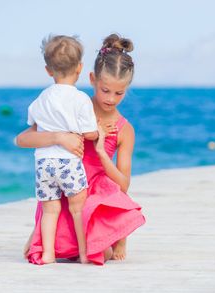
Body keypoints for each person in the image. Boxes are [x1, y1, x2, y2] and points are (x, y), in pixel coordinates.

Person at [17, 34, 145, 265]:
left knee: (101, 253)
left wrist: (102, 152)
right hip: (67, 190)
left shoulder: (125, 130)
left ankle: (116, 237)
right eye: (105, 90)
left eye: (119, 93)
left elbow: (123, 185)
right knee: (55, 220)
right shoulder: (73, 105)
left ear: (127, 89)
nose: (111, 99)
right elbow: (23, 139)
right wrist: (59, 137)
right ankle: (40, 235)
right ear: (92, 79)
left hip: (95, 193)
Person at [27, 35, 99, 264]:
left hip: (43, 162)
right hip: (68, 162)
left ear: (48, 70)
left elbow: (33, 124)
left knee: (50, 210)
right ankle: (85, 253)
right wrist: (98, 133)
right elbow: (88, 133)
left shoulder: (42, 97)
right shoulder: (80, 99)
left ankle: (48, 254)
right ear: (79, 68)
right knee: (78, 208)